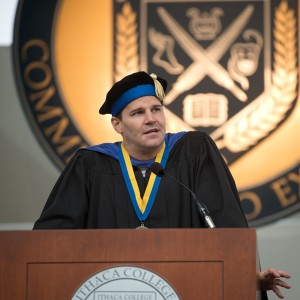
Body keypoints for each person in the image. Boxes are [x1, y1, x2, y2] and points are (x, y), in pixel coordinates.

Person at [33, 71, 291, 298]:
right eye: (138, 113)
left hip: (188, 289)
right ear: (117, 125)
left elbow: (227, 226)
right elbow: (51, 242)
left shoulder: (194, 151)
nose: (151, 119)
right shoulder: (91, 165)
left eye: (156, 109)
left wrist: (248, 276)